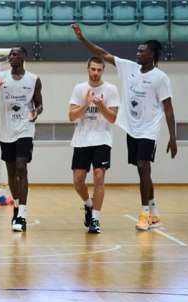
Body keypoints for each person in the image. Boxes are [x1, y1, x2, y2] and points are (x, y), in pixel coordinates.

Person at [72, 24, 178, 231]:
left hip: (149, 130)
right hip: (132, 129)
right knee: (143, 170)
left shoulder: (160, 78)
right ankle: (154, 212)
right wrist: (82, 38)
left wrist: (173, 137)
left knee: (143, 167)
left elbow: (168, 108)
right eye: (137, 50)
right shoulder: (128, 67)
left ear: (152, 55)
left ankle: (145, 214)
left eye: (142, 50)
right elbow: (101, 53)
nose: (137, 53)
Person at [0, 46, 43, 232]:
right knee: (11, 172)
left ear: (24, 57)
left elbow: (39, 103)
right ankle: (16, 206)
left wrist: (36, 112)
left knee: (21, 166)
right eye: (10, 54)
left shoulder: (34, 79)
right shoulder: (1, 77)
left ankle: (22, 215)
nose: (11, 56)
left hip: (25, 129)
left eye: (15, 54)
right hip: (6, 131)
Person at [68, 57, 120, 233]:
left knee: (99, 176)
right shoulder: (79, 88)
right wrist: (86, 104)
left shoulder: (111, 89)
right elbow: (71, 116)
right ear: (88, 69)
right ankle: (88, 205)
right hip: (82, 139)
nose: (96, 73)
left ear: (103, 70)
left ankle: (95, 219)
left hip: (102, 139)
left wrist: (101, 105)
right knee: (78, 181)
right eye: (93, 69)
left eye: (99, 70)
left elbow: (112, 118)